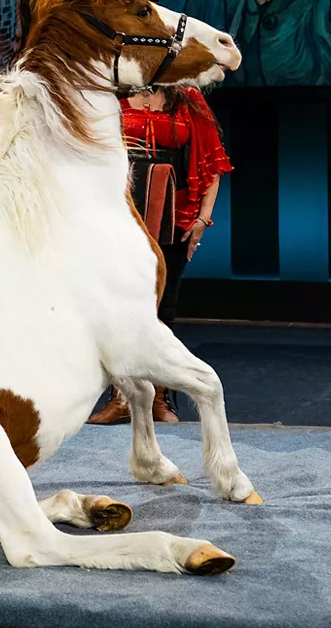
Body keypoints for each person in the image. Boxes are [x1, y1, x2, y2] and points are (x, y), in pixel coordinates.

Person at [88, 85, 231, 425]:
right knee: (119, 306)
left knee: (163, 306)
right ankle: (121, 396)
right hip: (121, 217)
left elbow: (212, 163)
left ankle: (161, 398)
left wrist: (201, 219)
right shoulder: (112, 96)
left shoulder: (187, 98)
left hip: (174, 218)